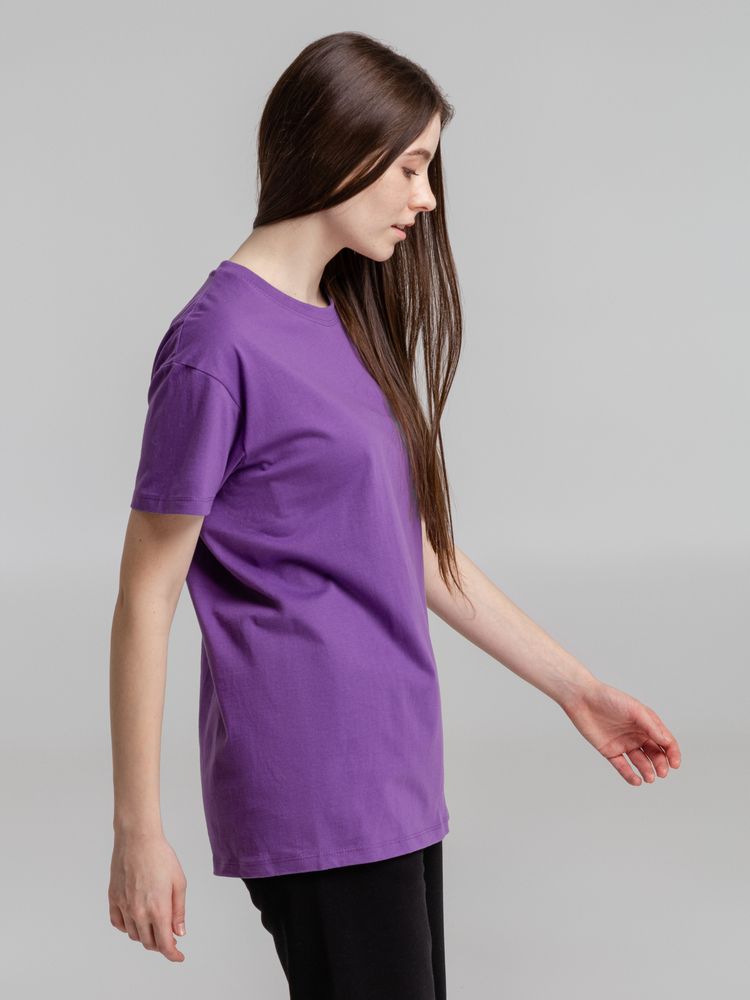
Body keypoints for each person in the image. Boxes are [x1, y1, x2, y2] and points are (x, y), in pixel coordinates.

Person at [108, 30, 682, 1000]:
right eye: (412, 167)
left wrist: (577, 689)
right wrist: (138, 829)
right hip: (313, 778)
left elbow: (403, 548)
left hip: (394, 770)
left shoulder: (339, 322)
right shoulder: (216, 345)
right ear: (341, 146)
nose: (427, 198)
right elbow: (145, 596)